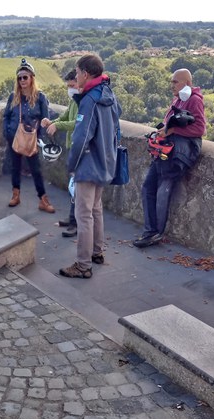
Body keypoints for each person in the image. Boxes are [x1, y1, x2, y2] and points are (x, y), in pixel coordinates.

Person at [59, 54, 121, 279]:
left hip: (88, 163)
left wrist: (72, 164)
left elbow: (81, 137)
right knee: (96, 209)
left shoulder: (89, 100)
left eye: (76, 72)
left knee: (83, 214)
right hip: (105, 161)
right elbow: (115, 127)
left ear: (86, 73)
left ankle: (83, 265)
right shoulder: (109, 94)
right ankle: (97, 252)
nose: (75, 76)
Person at [133, 68, 206, 248]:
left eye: (175, 82)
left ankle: (155, 232)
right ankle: (151, 230)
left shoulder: (194, 100)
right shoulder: (180, 99)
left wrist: (173, 130)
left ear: (187, 83)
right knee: (148, 187)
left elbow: (199, 129)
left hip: (177, 155)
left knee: (161, 189)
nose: (171, 85)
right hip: (167, 152)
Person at [2, 58, 55, 213]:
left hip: (32, 140)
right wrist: (7, 132)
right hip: (14, 138)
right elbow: (6, 116)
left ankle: (43, 200)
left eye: (25, 77)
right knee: (15, 167)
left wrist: (40, 138)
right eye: (19, 78)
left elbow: (45, 119)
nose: (22, 80)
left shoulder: (40, 97)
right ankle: (15, 195)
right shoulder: (13, 96)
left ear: (32, 78)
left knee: (36, 170)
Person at [42, 69, 79, 237]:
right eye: (68, 86)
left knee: (77, 188)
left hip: (79, 148)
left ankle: (76, 223)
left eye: (72, 85)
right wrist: (52, 122)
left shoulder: (83, 102)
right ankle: (72, 219)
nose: (70, 89)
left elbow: (76, 123)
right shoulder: (74, 100)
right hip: (72, 146)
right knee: (73, 186)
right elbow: (65, 117)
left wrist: (58, 126)